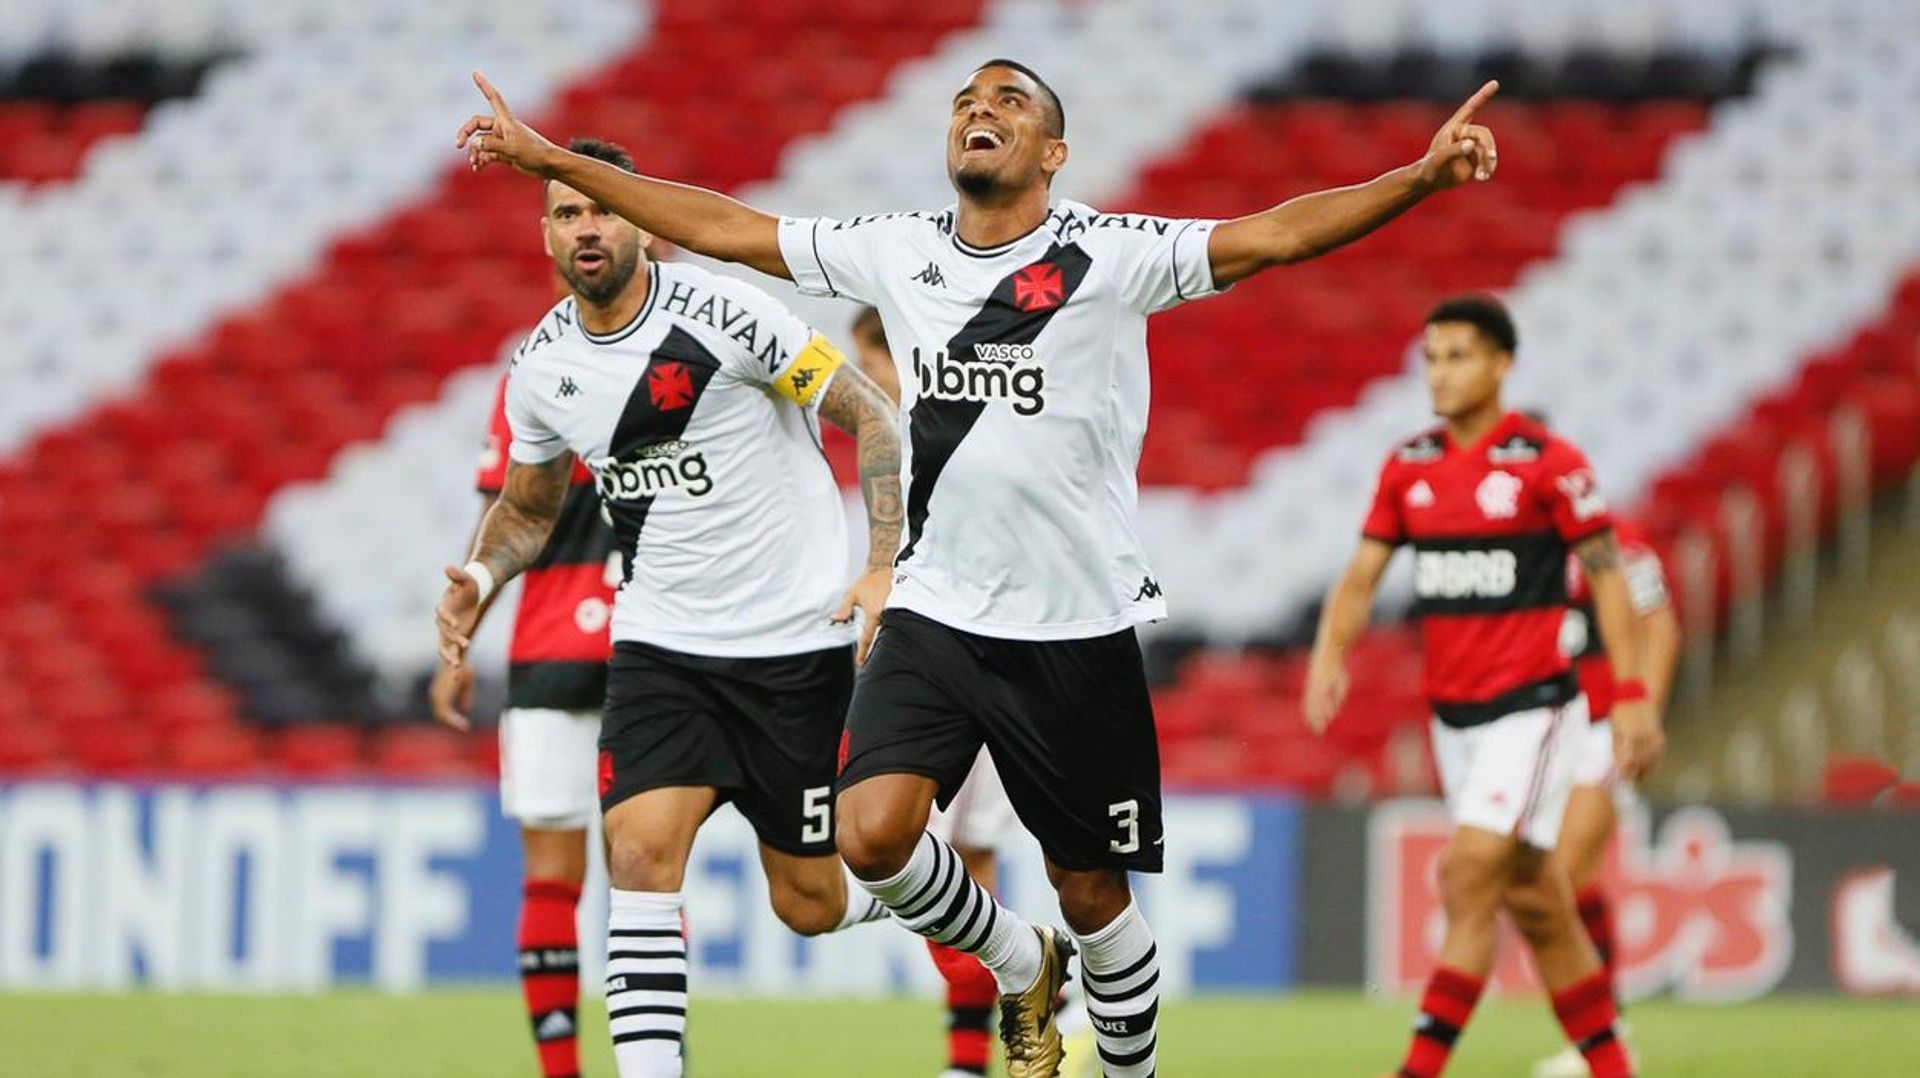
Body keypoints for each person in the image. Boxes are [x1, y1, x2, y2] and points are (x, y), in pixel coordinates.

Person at [458, 60, 1503, 1076]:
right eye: (964, 100)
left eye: (1008, 100)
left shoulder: (1112, 252)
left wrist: (1415, 177)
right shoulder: (897, 250)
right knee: (868, 835)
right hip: (937, 609)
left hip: (1074, 622)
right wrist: (551, 157)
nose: (979, 110)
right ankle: (1015, 958)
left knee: (1092, 892)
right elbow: (720, 225)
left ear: (1053, 149)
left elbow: (1272, 235)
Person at [433, 137, 903, 1078]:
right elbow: (529, 508)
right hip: (660, 644)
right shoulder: (543, 368)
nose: (587, 228)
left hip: (788, 644)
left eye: (601, 209)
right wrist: (481, 582)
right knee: (640, 855)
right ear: (546, 238)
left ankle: (923, 893)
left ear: (641, 219)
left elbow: (870, 415)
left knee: (806, 903)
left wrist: (884, 562)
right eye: (566, 214)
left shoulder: (727, 315)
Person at [1304, 295, 1663, 1078]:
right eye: (1431, 358)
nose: (1439, 373)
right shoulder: (1410, 465)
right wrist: (1332, 649)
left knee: (1465, 873)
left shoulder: (1549, 462)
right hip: (1454, 718)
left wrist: (1632, 696)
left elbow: (1609, 579)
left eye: (1458, 356)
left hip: (1533, 708)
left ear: (1501, 364)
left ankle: (1418, 1069)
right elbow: (1362, 574)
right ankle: (1612, 1066)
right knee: (1536, 898)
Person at [847, 308, 1096, 1078]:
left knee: (951, 855)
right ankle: (1017, 1004)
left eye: (874, 362)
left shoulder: (945, 437)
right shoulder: (887, 447)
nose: (866, 383)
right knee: (933, 857)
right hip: (942, 664)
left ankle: (1002, 1028)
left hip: (964, 656)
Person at [429, 360, 621, 1078]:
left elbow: (500, 518)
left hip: (552, 650)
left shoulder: (536, 374)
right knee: (650, 880)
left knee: (552, 878)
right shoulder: (689, 366)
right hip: (654, 648)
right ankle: (661, 1059)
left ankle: (561, 1069)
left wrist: (459, 645)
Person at [1532, 510, 1679, 1078]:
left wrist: (1643, 713)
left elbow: (1659, 626)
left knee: (1564, 877)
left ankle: (1601, 1039)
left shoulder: (1612, 540)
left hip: (1600, 728)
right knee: (1569, 885)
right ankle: (1602, 1037)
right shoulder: (1513, 543)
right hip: (1536, 732)